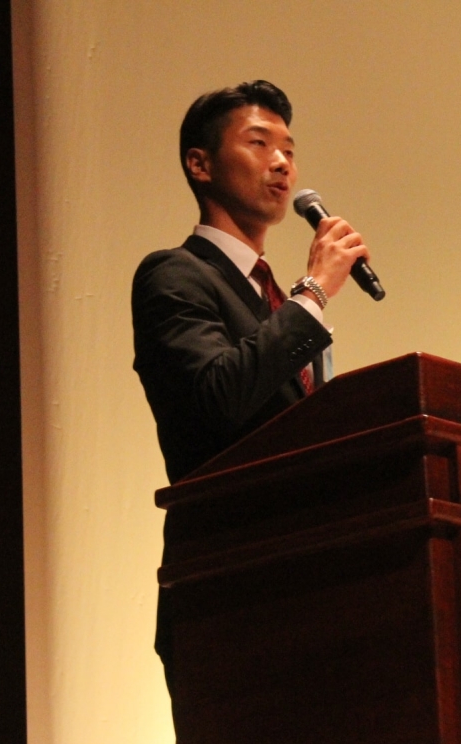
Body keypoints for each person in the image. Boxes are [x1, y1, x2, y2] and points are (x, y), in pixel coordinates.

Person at [132, 80, 370, 667]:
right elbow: (217, 397)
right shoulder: (175, 275)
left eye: (288, 148)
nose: (282, 162)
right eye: (259, 143)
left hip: (304, 577)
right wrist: (314, 293)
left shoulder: (274, 302)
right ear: (200, 164)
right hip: (226, 583)